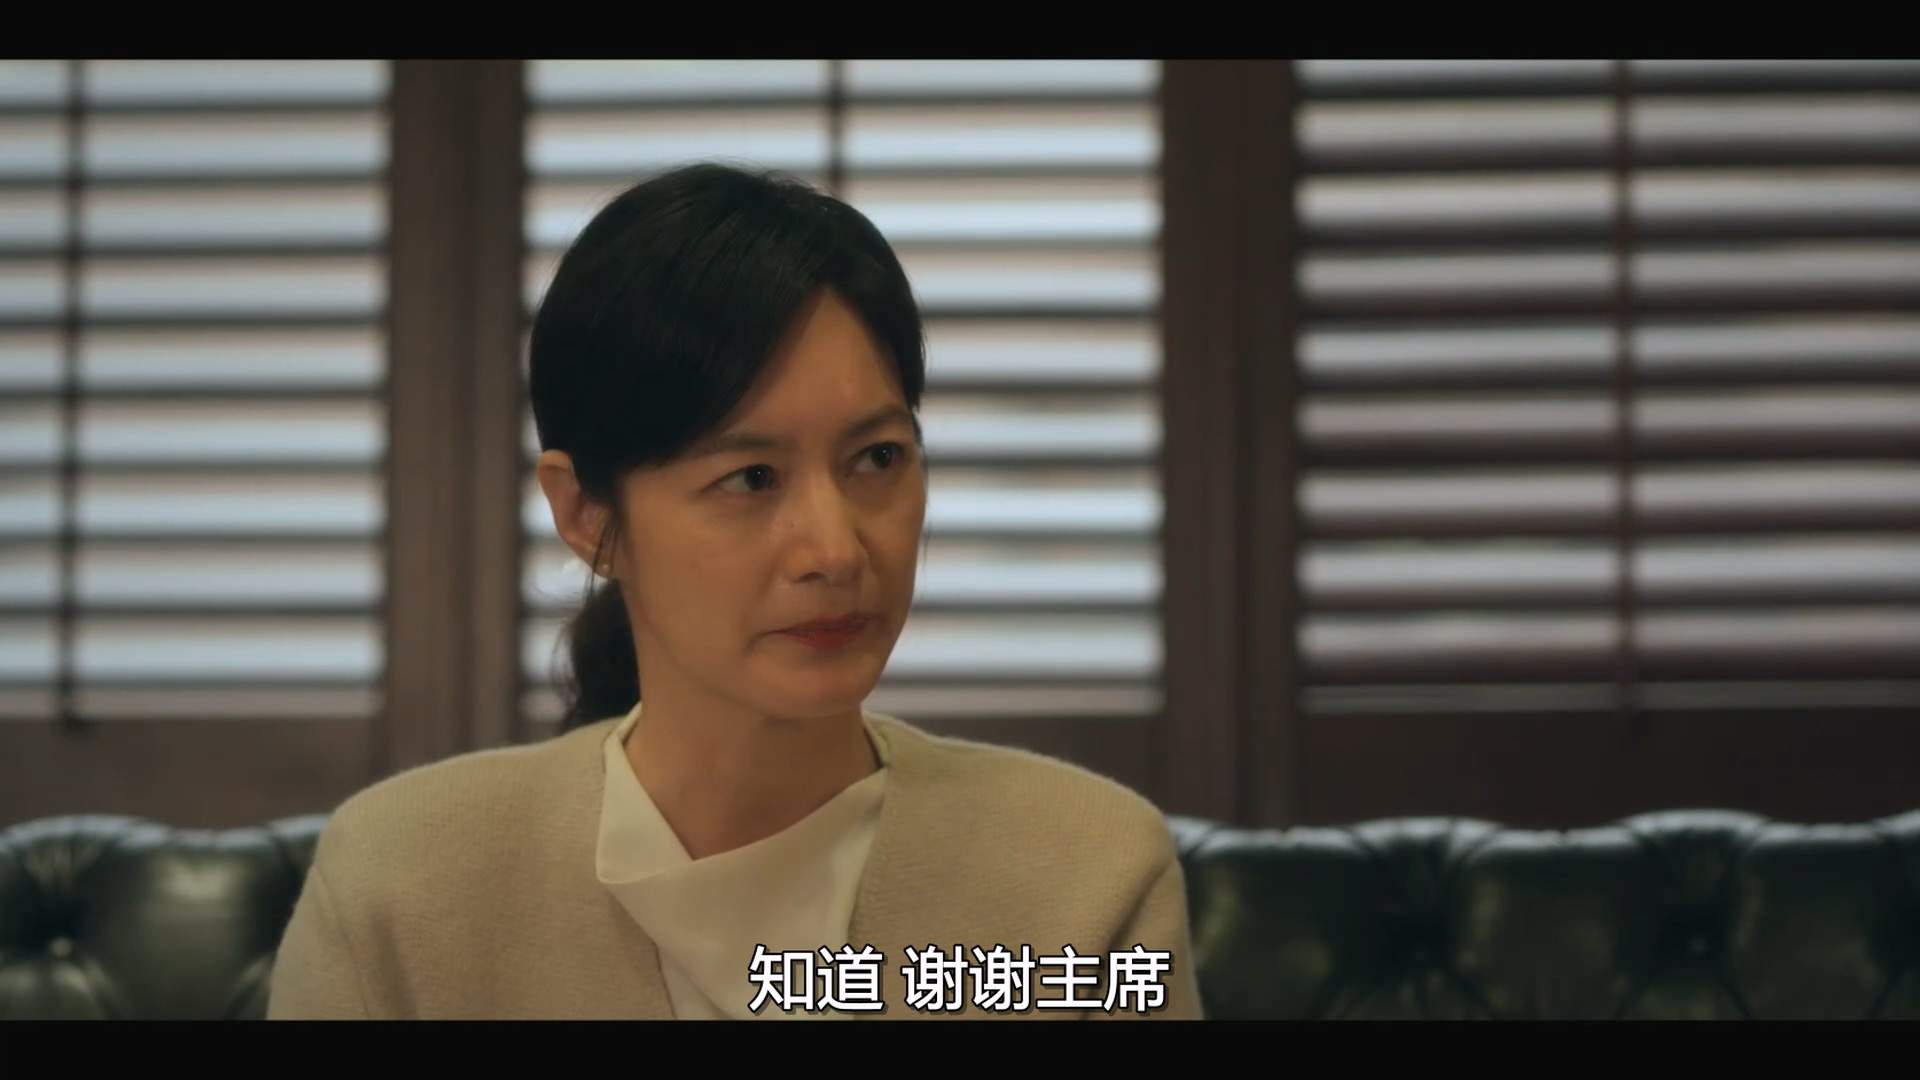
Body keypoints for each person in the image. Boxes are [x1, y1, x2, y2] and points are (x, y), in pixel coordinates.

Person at [266, 162, 1203, 1020]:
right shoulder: (403, 888)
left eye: (878, 458)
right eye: (751, 478)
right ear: (586, 513)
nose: (835, 550)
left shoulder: (1087, 877)